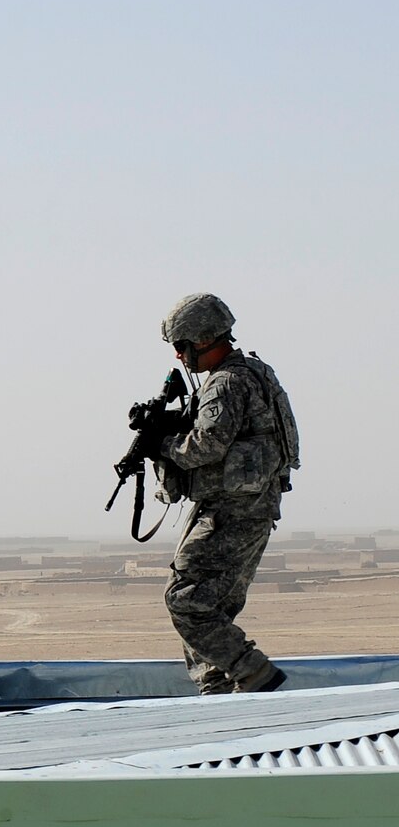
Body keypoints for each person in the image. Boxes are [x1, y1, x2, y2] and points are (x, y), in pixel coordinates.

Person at [153, 294, 300, 695]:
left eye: (181, 347)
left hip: (232, 510)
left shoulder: (227, 383)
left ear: (201, 340)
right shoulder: (255, 372)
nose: (180, 357)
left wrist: (164, 445)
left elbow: (208, 446)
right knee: (209, 605)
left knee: (186, 600)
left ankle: (252, 673)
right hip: (247, 506)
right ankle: (217, 688)